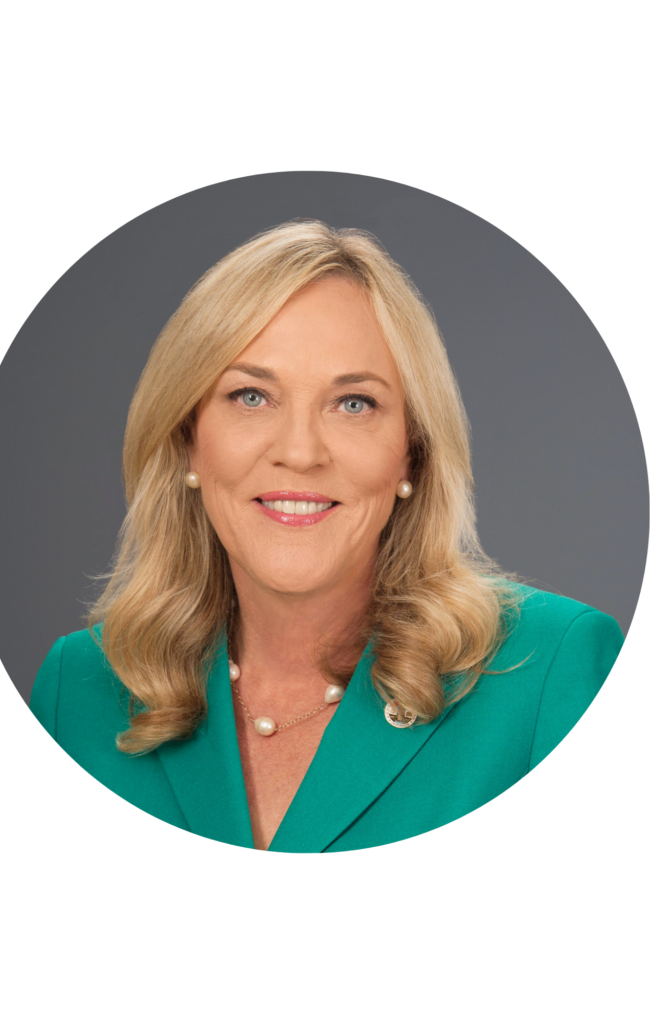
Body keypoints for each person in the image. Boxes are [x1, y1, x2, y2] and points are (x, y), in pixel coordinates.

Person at [30, 220, 624, 853]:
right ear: (188, 442)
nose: (300, 452)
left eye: (354, 404)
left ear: (412, 454)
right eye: (251, 396)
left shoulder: (554, 671)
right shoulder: (79, 690)